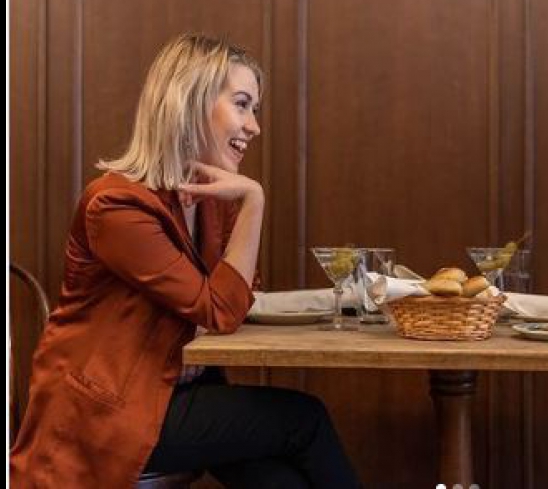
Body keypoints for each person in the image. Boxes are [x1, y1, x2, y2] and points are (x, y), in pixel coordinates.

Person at [10, 33, 361, 489]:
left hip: (178, 390)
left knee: (277, 480)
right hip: (108, 411)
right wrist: (254, 201)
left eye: (254, 109)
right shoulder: (116, 205)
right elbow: (222, 309)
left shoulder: (207, 197)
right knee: (304, 419)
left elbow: (240, 294)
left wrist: (218, 294)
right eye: (242, 105)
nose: (254, 126)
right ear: (190, 103)